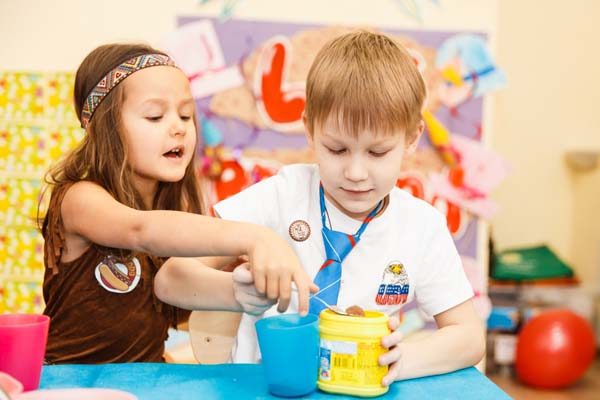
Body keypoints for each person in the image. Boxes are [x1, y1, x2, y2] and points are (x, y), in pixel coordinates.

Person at [154, 31, 485, 384]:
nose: (356, 173)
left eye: (377, 152)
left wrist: (403, 360)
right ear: (310, 129)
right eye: (337, 150)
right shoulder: (279, 196)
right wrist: (235, 292)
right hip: (264, 388)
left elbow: (469, 336)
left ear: (412, 138)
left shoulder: (421, 225)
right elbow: (169, 280)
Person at [39, 43, 315, 364]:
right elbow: (140, 230)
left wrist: (240, 290)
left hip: (143, 379)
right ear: (105, 128)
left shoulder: (171, 215)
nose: (179, 127)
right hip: (68, 380)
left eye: (185, 115)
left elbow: (173, 293)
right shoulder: (80, 199)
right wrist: (257, 237)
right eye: (155, 116)